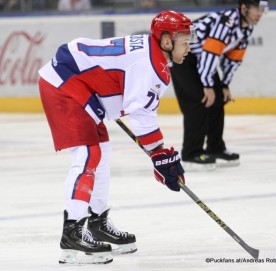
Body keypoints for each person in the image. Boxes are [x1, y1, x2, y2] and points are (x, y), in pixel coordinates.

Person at [38, 10, 195, 264]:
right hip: (65, 82)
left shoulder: (155, 58)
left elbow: (139, 107)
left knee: (102, 151)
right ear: (167, 41)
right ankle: (72, 232)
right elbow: (141, 114)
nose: (189, 47)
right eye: (185, 41)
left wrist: (159, 153)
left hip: (82, 85)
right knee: (89, 154)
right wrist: (159, 153)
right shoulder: (148, 64)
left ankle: (97, 221)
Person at [170, 0, 268, 168]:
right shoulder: (227, 22)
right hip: (182, 56)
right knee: (198, 101)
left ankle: (215, 148)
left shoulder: (247, 27)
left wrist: (224, 85)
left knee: (217, 100)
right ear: (244, 8)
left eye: (263, 10)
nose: (260, 14)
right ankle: (191, 153)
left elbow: (233, 59)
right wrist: (207, 86)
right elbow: (211, 51)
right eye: (257, 9)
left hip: (200, 58)